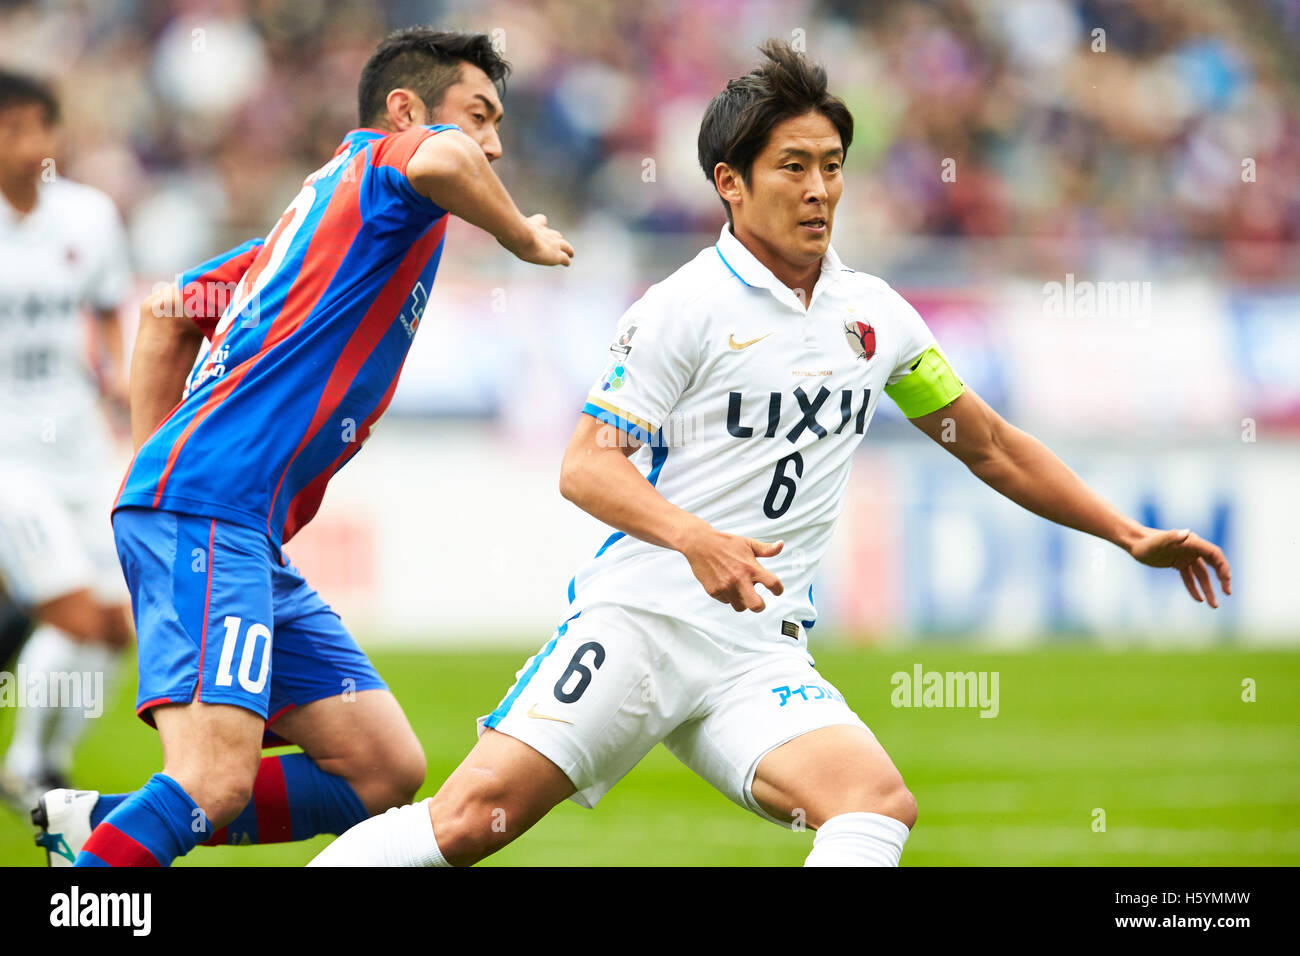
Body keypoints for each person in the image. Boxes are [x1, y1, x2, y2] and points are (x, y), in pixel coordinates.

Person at [310, 40, 1232, 868]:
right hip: (643, 624)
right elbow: (587, 465)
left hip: (759, 651)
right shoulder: (684, 309)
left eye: (833, 166)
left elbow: (987, 446)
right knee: (472, 822)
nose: (820, 189)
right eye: (793, 166)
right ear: (731, 183)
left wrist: (1126, 532)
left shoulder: (875, 319)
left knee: (874, 807)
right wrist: (695, 540)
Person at [32, 27, 573, 867]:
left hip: (226, 519)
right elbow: (443, 162)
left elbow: (166, 312)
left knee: (379, 769)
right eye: (479, 115)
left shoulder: (322, 216)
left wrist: (154, 464)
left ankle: (107, 826)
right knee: (214, 781)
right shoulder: (388, 174)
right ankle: (104, 874)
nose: (493, 143)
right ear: (406, 112)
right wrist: (522, 238)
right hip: (209, 511)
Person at [0, 69, 133, 810]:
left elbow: (110, 307)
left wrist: (115, 374)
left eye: (38, 127)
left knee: (116, 630)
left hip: (78, 449)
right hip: (8, 459)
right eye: (11, 128)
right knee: (75, 614)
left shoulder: (89, 217)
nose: (28, 145)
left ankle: (47, 763)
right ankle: (24, 764)